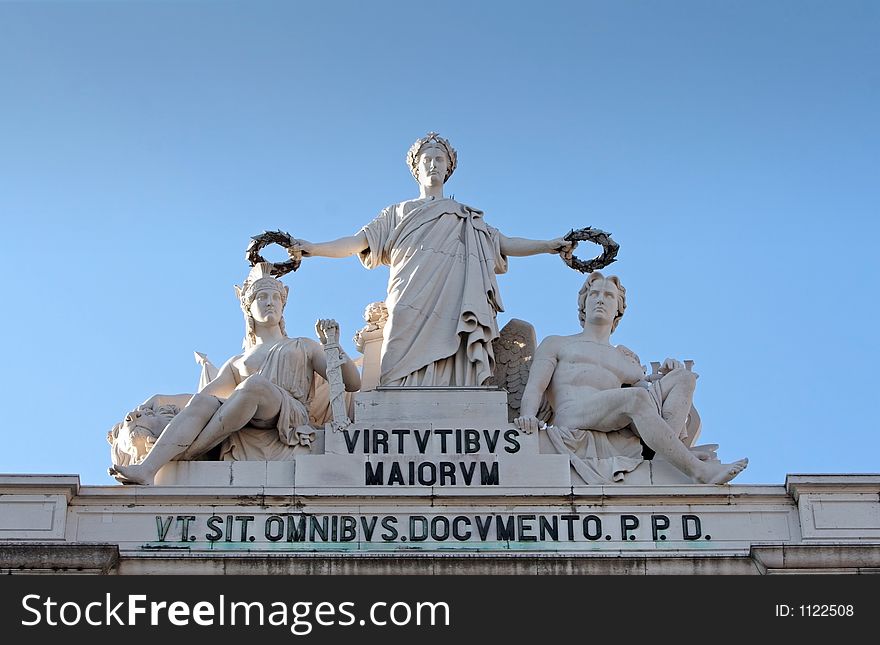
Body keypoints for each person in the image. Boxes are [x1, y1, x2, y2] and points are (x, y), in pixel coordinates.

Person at [291, 132, 574, 387]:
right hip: (408, 293)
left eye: (440, 159)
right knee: (396, 351)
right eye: (427, 159)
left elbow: (504, 243)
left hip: (453, 295)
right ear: (416, 167)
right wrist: (314, 248)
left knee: (454, 342)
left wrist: (548, 245)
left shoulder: (465, 215)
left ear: (449, 167)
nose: (433, 164)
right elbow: (356, 243)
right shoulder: (396, 213)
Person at [110, 262, 361, 485]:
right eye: (261, 297)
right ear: (248, 307)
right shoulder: (237, 362)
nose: (270, 302)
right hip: (250, 414)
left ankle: (192, 451)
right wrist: (161, 400)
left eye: (276, 297)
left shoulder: (303, 346)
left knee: (254, 386)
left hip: (289, 413)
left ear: (283, 306)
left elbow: (352, 382)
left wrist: (333, 346)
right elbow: (197, 400)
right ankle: (147, 469)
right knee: (203, 402)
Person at [514, 272, 748, 485]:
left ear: (618, 308)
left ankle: (664, 457)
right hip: (572, 415)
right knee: (635, 399)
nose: (600, 299)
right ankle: (698, 471)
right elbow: (535, 386)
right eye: (594, 294)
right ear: (583, 303)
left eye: (608, 295)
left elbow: (649, 391)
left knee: (684, 378)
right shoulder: (557, 343)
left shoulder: (624, 360)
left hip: (612, 415)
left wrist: (669, 372)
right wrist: (527, 415)